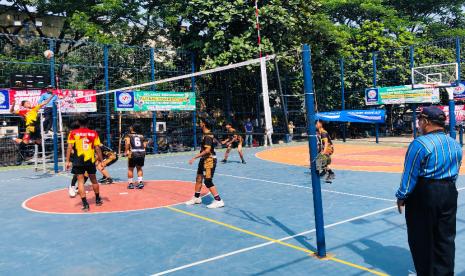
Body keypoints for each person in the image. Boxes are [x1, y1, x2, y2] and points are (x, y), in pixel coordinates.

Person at [396, 106, 462, 276]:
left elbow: (410, 175)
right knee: (445, 238)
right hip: (449, 192)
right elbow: (456, 170)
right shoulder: (455, 144)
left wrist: (402, 196)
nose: (418, 124)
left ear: (425, 122)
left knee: (421, 238)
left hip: (425, 193)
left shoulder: (419, 144)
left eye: (419, 121)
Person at [65, 115, 104, 212]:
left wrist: (67, 161)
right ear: (88, 122)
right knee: (94, 180)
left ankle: (85, 204)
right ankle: (98, 200)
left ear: (78, 122)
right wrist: (101, 160)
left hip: (78, 160)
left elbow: (69, 147)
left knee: (81, 182)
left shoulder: (73, 133)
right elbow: (97, 148)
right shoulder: (94, 133)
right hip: (90, 160)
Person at [186, 118, 224, 208]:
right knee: (199, 177)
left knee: (208, 181)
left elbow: (207, 150)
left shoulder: (207, 136)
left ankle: (219, 200)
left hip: (209, 160)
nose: (199, 124)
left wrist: (195, 157)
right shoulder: (206, 134)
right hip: (204, 159)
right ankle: (196, 198)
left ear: (203, 124)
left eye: (200, 122)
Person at [125, 124, 147, 189]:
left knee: (130, 169)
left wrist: (126, 151)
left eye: (131, 127)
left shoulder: (128, 135)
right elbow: (145, 145)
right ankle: (140, 182)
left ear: (132, 128)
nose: (130, 127)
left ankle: (131, 184)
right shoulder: (142, 136)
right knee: (139, 168)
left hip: (133, 153)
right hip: (141, 152)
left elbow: (127, 143)